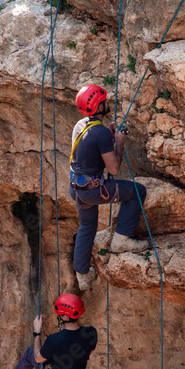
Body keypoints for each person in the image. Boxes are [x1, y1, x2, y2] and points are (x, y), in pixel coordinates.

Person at [69, 84, 149, 292]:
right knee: (137, 192)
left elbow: (90, 148)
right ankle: (122, 240)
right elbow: (113, 169)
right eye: (104, 101)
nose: (107, 104)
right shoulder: (101, 134)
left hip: (77, 189)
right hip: (95, 190)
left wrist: (109, 135)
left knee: (87, 227)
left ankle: (83, 275)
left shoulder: (81, 126)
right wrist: (119, 142)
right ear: (99, 105)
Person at [4, 294, 98, 369]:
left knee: (31, 352)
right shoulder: (91, 332)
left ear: (65, 317)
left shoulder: (54, 339)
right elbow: (87, 352)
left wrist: (37, 332)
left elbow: (38, 358)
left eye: (60, 315)